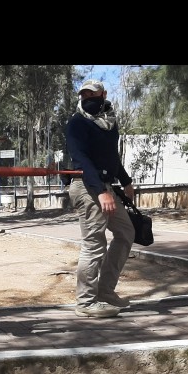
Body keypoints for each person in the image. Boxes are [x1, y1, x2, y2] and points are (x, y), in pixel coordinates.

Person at [65, 79, 136, 318]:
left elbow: (111, 156)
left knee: (126, 232)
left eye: (92, 94)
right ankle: (85, 302)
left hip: (105, 185)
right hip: (87, 186)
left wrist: (126, 181)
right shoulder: (77, 123)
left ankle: (105, 292)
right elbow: (81, 159)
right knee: (94, 244)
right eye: (84, 95)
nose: (88, 98)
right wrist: (100, 191)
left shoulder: (109, 123)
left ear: (103, 94)